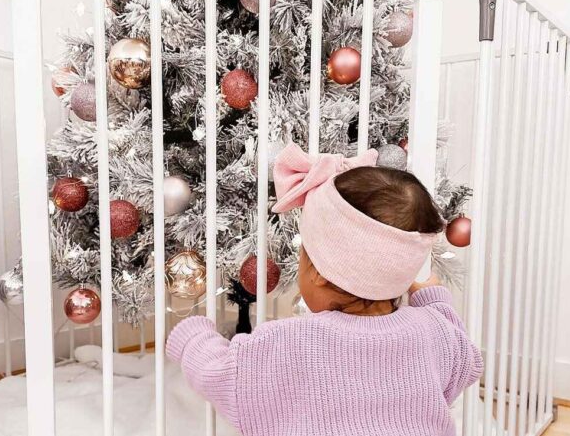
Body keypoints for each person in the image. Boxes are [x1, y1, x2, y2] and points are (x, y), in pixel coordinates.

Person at [167, 143, 483, 436]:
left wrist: (192, 338)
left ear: (316, 272)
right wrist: (434, 300)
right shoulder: (431, 332)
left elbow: (221, 375)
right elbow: (467, 362)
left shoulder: (285, 344)